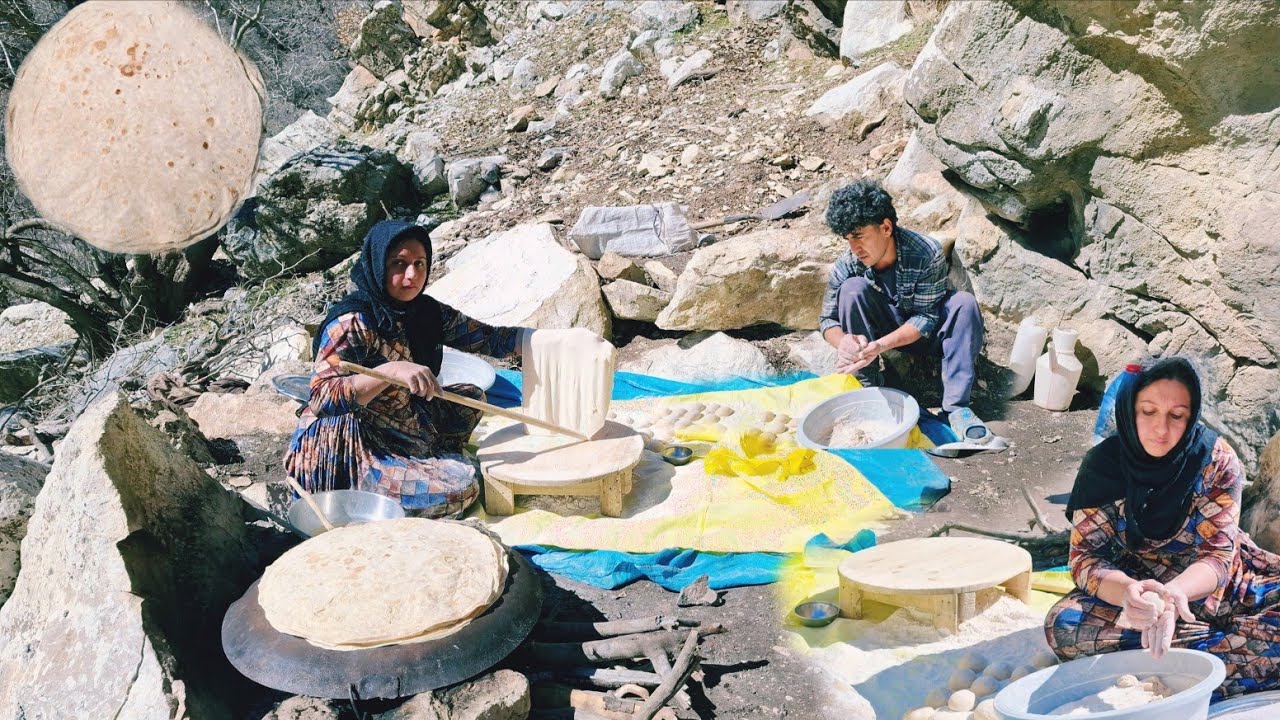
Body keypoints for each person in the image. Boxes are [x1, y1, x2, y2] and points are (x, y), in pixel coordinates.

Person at [1045, 356, 1280, 699]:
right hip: (1139, 596)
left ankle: (1175, 663)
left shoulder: (1216, 461)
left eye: (1177, 416)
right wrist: (1129, 593)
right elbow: (1085, 559)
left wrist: (1173, 596)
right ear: (1129, 409)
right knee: (1064, 626)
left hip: (1225, 587)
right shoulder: (1103, 468)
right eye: (1148, 411)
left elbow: (1218, 555)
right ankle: (1215, 662)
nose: (1161, 429)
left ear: (1192, 415)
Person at [283, 220, 529, 518]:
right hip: (356, 442)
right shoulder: (353, 323)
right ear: (377, 265)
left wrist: (535, 340)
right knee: (462, 491)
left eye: (419, 263)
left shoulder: (424, 311)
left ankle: (421, 461)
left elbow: (488, 338)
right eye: (399, 264)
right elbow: (322, 398)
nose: (411, 275)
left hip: (402, 421)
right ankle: (367, 487)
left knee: (471, 398)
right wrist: (390, 371)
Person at [818, 180, 990, 441]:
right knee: (851, 289)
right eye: (848, 239)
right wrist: (844, 342)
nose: (854, 248)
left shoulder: (925, 252)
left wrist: (881, 345)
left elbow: (926, 317)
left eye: (859, 236)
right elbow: (827, 320)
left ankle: (956, 408)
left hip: (927, 334)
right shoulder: (848, 264)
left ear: (886, 227)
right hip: (880, 335)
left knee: (963, 304)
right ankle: (869, 390)